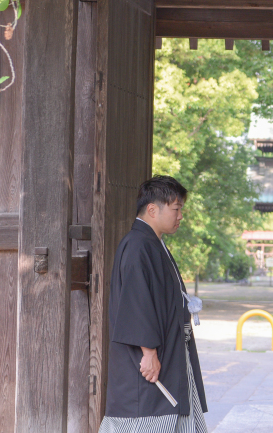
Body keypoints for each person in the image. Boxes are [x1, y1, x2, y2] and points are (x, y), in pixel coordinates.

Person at [99, 175, 208, 433]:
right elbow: (137, 301)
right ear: (152, 209)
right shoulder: (138, 245)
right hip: (149, 358)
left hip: (171, 351)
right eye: (176, 209)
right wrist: (148, 353)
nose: (180, 216)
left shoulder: (152, 243)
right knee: (149, 415)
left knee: (174, 413)